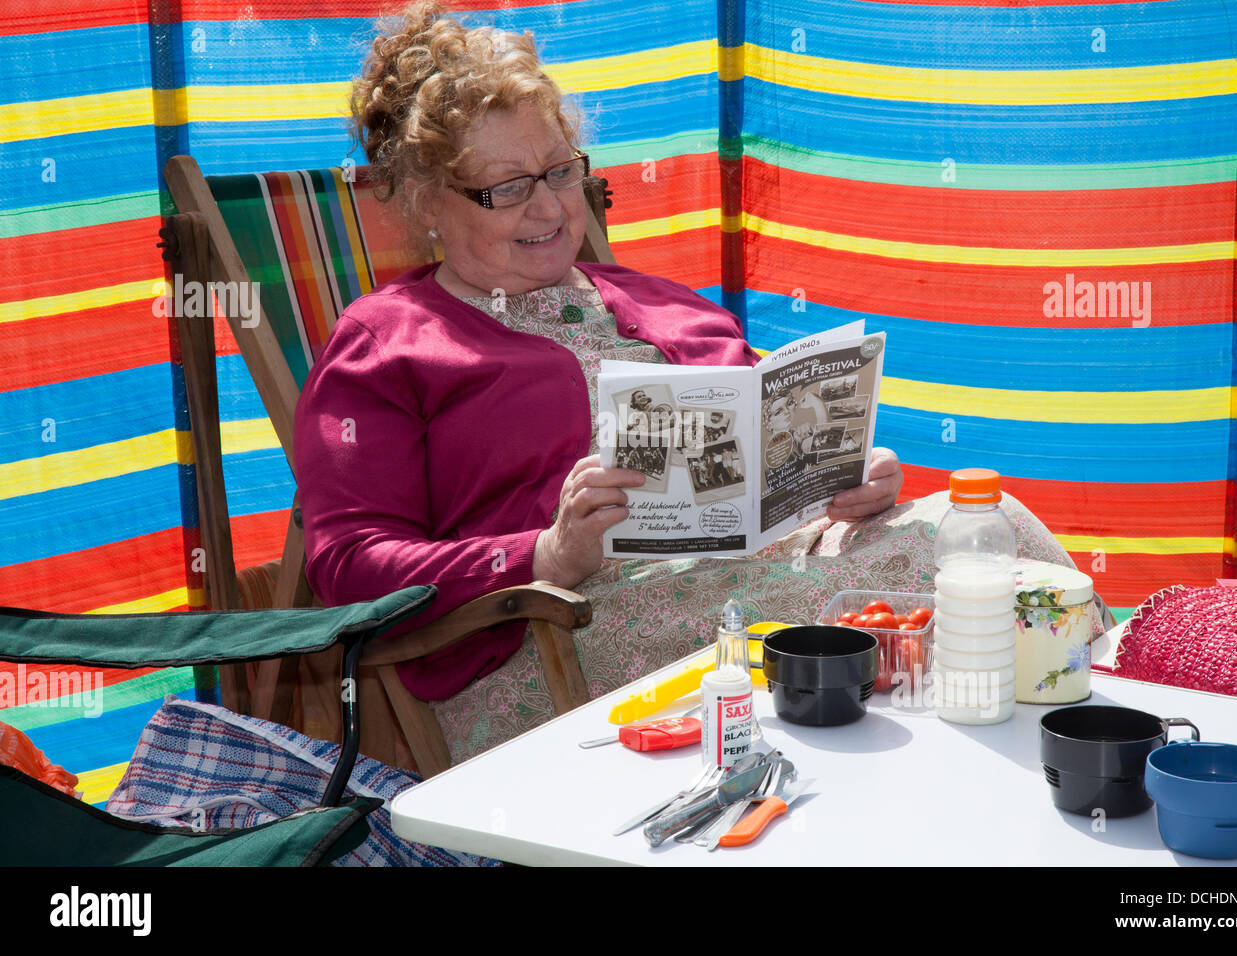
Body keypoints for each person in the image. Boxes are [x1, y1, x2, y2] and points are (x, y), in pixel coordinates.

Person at [294, 1, 1072, 763]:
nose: (549, 206)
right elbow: (349, 567)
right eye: (505, 188)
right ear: (428, 202)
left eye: (561, 171)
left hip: (760, 580)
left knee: (991, 528)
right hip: (556, 643)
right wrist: (546, 553)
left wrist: (843, 477)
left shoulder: (665, 303)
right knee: (970, 564)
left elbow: (759, 456)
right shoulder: (387, 343)